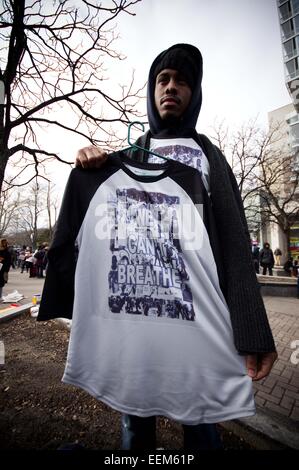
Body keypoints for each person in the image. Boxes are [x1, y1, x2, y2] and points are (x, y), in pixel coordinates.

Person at [38, 44, 277, 450]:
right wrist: (88, 162)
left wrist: (254, 331)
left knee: (201, 428)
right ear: (151, 90)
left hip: (199, 325)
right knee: (135, 427)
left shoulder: (210, 160)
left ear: (194, 92)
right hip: (135, 325)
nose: (171, 87)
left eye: (182, 81)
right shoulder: (126, 158)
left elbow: (236, 248)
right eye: (163, 79)